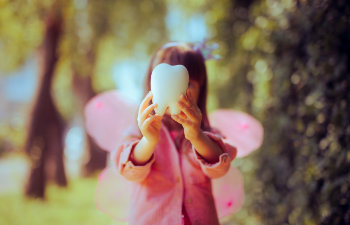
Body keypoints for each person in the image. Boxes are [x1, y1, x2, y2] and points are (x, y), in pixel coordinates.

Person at [112, 42, 237, 225]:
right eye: (166, 84)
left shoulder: (207, 133)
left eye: (188, 84)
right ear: (151, 85)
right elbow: (131, 172)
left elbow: (219, 168)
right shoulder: (139, 131)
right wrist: (148, 141)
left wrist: (197, 136)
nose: (179, 91)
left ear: (200, 91)